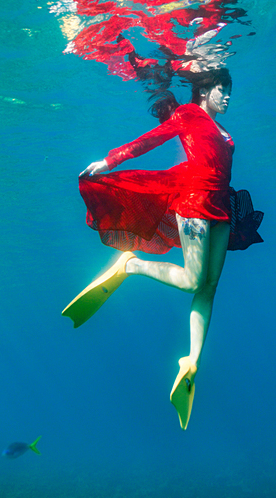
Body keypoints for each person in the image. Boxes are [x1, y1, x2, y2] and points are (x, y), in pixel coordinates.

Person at [62, 68, 262, 429]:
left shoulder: (223, 131)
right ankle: (130, 265)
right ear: (205, 91)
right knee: (191, 281)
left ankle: (192, 360)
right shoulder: (188, 115)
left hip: (220, 211)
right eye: (223, 89)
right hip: (193, 205)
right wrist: (109, 161)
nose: (229, 96)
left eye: (231, 89)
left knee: (208, 287)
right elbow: (150, 140)